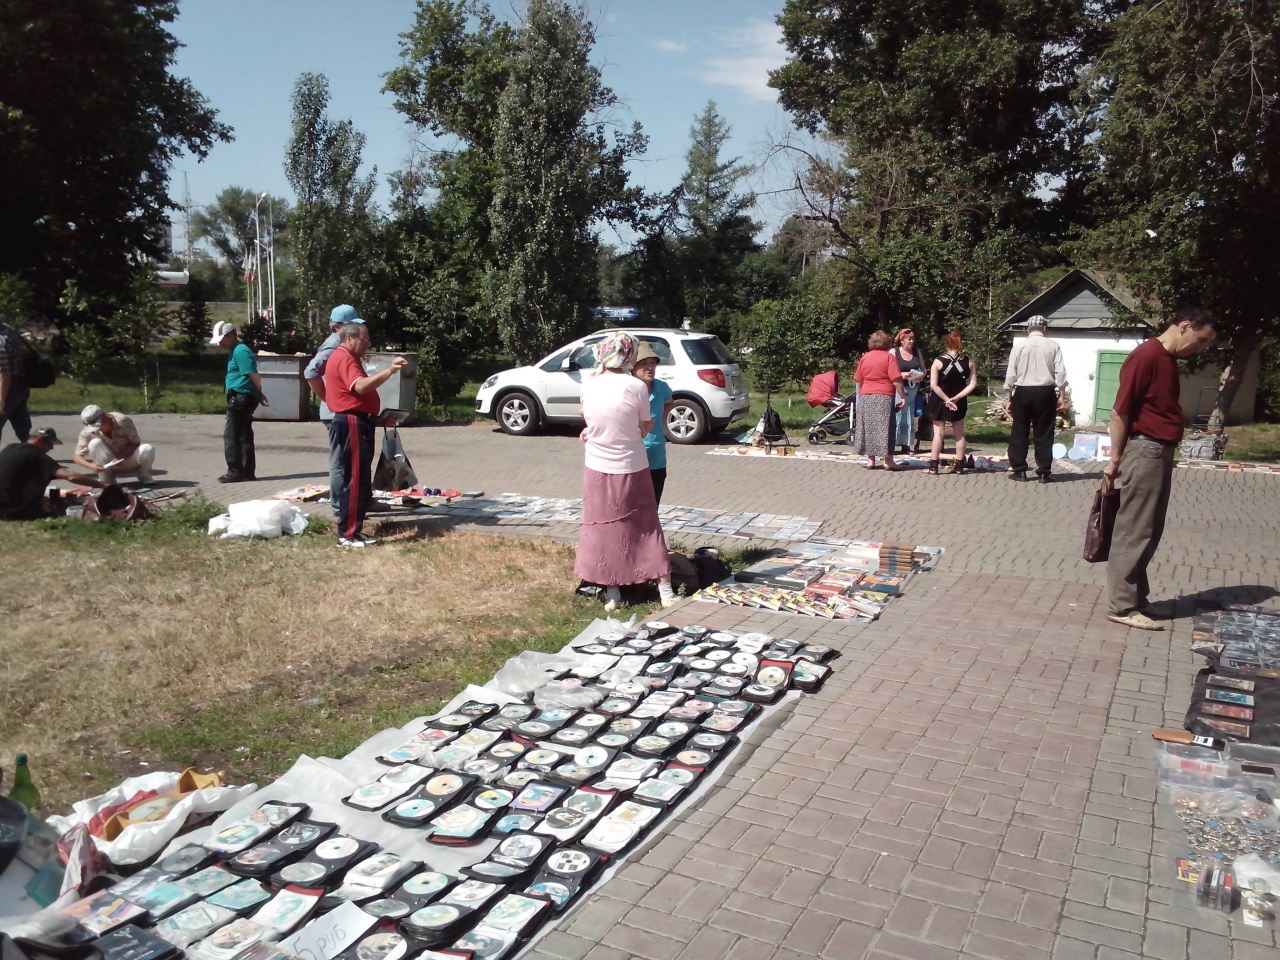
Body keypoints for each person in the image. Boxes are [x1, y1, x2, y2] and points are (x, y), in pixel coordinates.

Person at [1105, 308, 1216, 630]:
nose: (1200, 347)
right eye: (1201, 339)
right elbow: (1120, 411)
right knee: (1134, 529)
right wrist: (1114, 460)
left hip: (1158, 451)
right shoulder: (1146, 356)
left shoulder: (1166, 359)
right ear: (1185, 326)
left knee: (1149, 529)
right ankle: (1123, 606)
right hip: (1145, 451)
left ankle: (1137, 599)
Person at [575, 331, 678, 612]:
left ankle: (613, 592)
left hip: (596, 467)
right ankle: (666, 591)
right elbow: (643, 428)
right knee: (646, 524)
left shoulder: (589, 383)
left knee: (604, 527)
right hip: (632, 466)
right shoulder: (636, 387)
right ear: (628, 355)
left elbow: (590, 420)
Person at [324, 321, 408, 548]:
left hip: (359, 420)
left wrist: (377, 418)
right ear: (349, 338)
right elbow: (360, 387)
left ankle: (355, 530)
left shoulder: (349, 358)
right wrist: (390, 370)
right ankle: (347, 534)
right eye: (364, 340)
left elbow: (356, 396)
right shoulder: (344, 358)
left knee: (361, 478)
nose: (367, 344)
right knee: (354, 478)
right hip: (351, 421)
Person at [305, 304, 363, 513]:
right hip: (336, 413)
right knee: (340, 461)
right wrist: (329, 399)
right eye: (352, 325)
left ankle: (360, 500)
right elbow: (310, 371)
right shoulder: (333, 346)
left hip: (345, 411)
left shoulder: (342, 345)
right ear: (339, 327)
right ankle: (339, 506)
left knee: (352, 460)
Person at [1002, 314, 1067, 482]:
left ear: (1027, 329)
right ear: (1045, 328)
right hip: (1045, 392)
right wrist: (1061, 395)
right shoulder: (1053, 346)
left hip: (1023, 391)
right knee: (1044, 432)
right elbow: (1060, 373)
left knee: (1019, 430)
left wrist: (1009, 397)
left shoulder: (1019, 347)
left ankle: (1020, 470)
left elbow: (1011, 374)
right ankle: (1044, 472)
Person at [0, 428, 104, 520]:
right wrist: (101, 485)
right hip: (12, 510)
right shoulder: (37, 455)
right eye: (50, 443)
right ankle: (29, 508)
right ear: (40, 440)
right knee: (59, 503)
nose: (51, 448)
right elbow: (70, 476)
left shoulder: (10, 447)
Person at [211, 320, 268, 483]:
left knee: (232, 435)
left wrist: (258, 391)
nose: (220, 344)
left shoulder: (240, 350)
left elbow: (253, 375)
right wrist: (257, 393)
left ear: (231, 335)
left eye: (222, 340)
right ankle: (247, 472)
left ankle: (235, 471)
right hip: (244, 396)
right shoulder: (237, 350)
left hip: (240, 398)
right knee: (244, 435)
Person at [924, 331, 978, 475]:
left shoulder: (938, 361)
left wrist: (946, 399)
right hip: (958, 401)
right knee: (959, 434)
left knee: (938, 434)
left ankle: (933, 466)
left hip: (939, 400)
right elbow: (973, 384)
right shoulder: (969, 362)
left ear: (947, 343)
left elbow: (934, 385)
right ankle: (960, 466)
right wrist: (957, 398)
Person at [850, 330, 906, 470]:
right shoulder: (889, 358)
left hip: (866, 396)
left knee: (869, 428)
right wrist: (903, 396)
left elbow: (859, 380)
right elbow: (896, 380)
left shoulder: (865, 358)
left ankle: (871, 460)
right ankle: (888, 461)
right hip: (884, 396)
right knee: (886, 428)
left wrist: (862, 395)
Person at [632, 341, 675, 504]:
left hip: (657, 456)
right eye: (644, 363)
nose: (650, 367)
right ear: (632, 367)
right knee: (634, 506)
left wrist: (660, 423)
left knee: (652, 506)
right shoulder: (628, 389)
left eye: (652, 363)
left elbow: (670, 403)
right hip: (633, 457)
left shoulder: (661, 387)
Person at [73, 405, 156, 486]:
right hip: (108, 464)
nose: (97, 430)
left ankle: (145, 476)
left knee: (147, 449)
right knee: (94, 443)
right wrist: (91, 466)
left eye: (98, 426)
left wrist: (119, 458)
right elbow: (77, 456)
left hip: (128, 459)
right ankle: (107, 481)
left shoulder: (122, 420)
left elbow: (135, 443)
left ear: (105, 417)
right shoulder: (88, 431)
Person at [891, 328, 926, 454]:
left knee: (909, 416)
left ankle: (906, 445)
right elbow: (888, 370)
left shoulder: (917, 352)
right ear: (902, 340)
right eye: (909, 339)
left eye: (913, 339)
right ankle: (891, 445)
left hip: (913, 388)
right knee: (897, 415)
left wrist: (920, 375)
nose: (911, 341)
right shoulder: (894, 352)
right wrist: (902, 375)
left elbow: (924, 369)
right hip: (897, 388)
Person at [0, 319, 31, 445]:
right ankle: (34, 451)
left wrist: (1, 401)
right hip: (20, 386)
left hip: (7, 390)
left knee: (23, 430)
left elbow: (4, 373)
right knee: (24, 431)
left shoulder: (0, 341)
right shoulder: (8, 329)